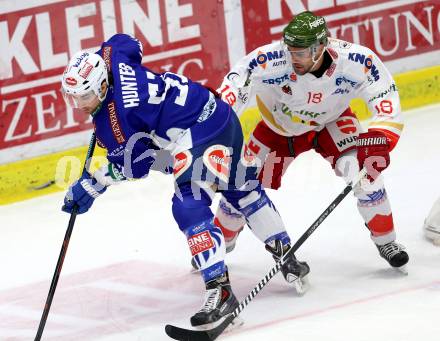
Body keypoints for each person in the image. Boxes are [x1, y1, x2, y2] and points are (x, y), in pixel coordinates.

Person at [60, 33, 309, 329]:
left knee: (188, 205)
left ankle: (221, 291)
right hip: (220, 115)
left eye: (85, 97)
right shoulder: (112, 55)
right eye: (73, 97)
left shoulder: (114, 123)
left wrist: (93, 182)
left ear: (102, 85)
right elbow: (131, 41)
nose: (79, 104)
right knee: (239, 188)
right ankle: (287, 255)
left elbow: (136, 167)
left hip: (198, 133)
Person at [215, 11, 409, 273]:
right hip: (278, 133)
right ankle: (218, 247)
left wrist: (379, 139)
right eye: (291, 50)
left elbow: (385, 100)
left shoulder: (356, 60)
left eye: (302, 53)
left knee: (365, 174)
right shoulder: (268, 60)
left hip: (332, 124)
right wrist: (213, 131)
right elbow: (232, 93)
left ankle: (387, 242)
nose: (294, 58)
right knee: (241, 187)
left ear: (321, 47)